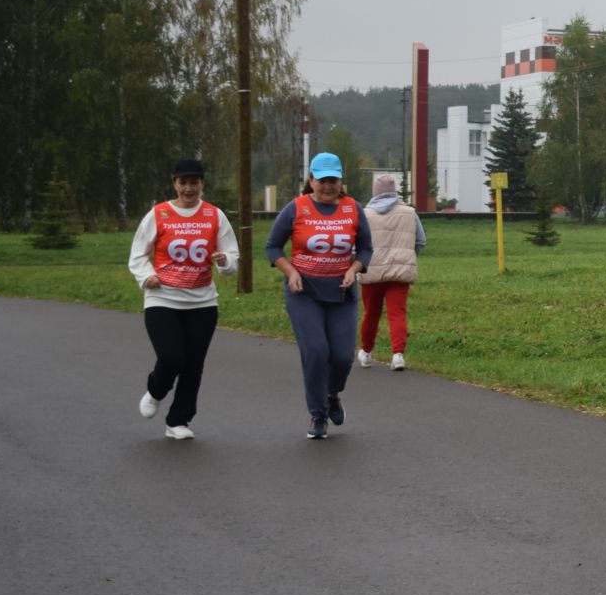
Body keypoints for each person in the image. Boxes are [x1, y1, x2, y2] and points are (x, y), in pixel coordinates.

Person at [127, 159, 239, 440]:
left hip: (202, 302)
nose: (189, 188)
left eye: (194, 182)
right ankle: (155, 389)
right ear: (174, 183)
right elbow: (138, 254)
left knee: (193, 364)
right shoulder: (159, 214)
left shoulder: (215, 215)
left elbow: (233, 258)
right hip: (162, 298)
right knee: (172, 357)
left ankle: (179, 421)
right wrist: (145, 276)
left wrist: (225, 261)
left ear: (202, 184)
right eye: (183, 183)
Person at [265, 153, 372, 439]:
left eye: (333, 180)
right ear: (310, 180)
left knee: (342, 356)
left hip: (341, 292)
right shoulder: (296, 208)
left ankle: (332, 394)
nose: (327, 186)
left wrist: (355, 268)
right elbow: (273, 247)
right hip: (305, 293)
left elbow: (365, 249)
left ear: (340, 181)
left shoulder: (353, 209)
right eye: (321, 180)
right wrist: (291, 272)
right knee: (315, 351)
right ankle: (317, 415)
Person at [356, 173, 425, 371]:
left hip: (371, 272)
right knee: (397, 314)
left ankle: (366, 353)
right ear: (394, 190)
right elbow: (421, 241)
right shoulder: (409, 213)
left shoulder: (364, 214)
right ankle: (398, 355)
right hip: (399, 272)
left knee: (371, 313)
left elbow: (356, 244)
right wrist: (407, 257)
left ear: (374, 191)